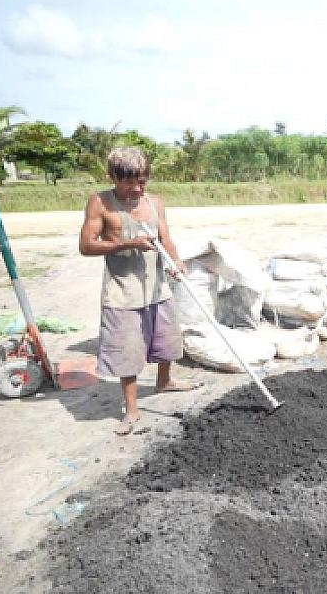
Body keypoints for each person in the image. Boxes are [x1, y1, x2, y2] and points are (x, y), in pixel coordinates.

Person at [79, 146, 202, 436]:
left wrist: (176, 261)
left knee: (166, 340)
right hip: (123, 292)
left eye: (142, 182)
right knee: (128, 350)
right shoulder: (100, 202)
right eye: (129, 183)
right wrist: (127, 244)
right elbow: (86, 246)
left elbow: (165, 238)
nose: (136, 189)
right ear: (113, 177)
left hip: (157, 288)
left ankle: (164, 381)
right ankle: (131, 408)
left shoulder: (155, 202)